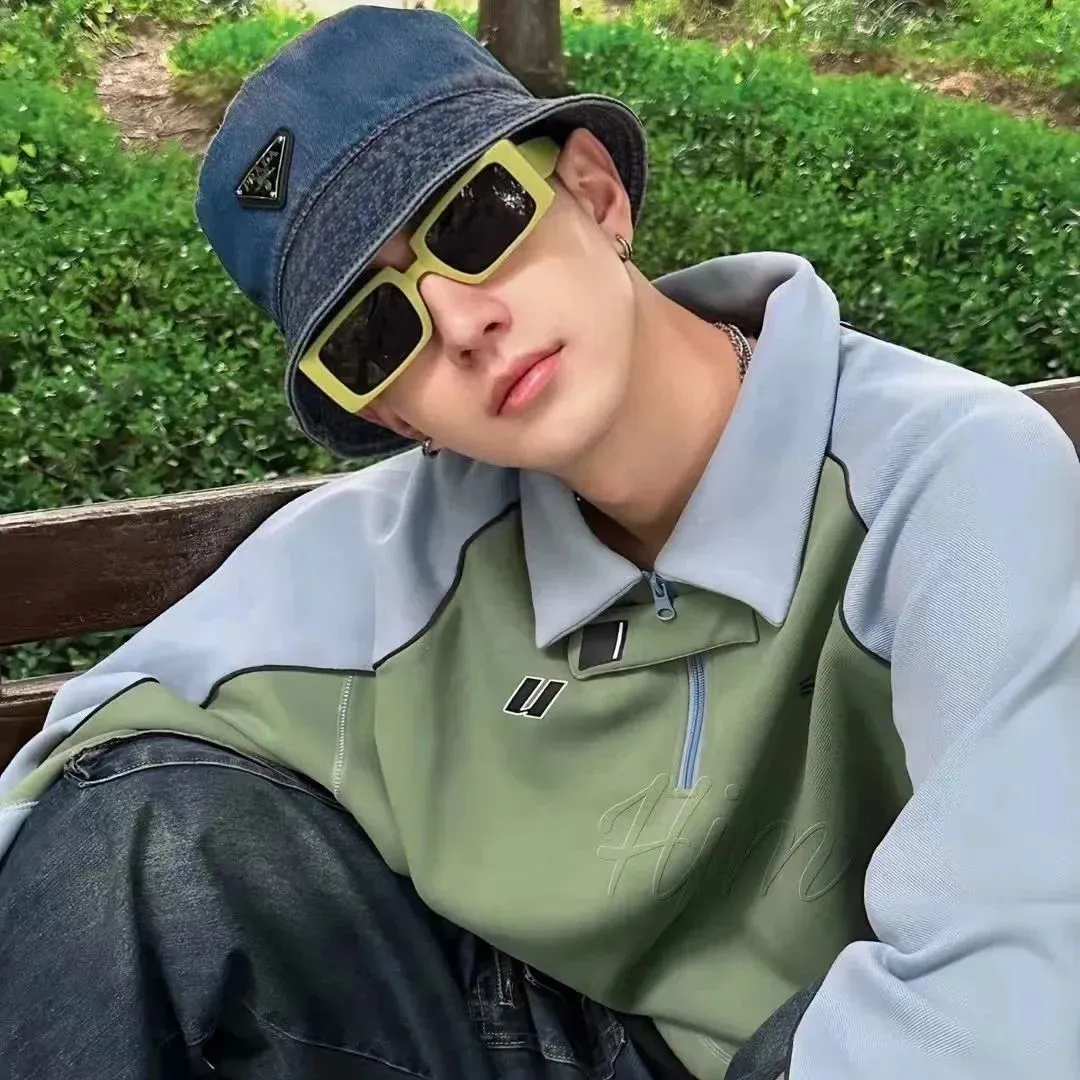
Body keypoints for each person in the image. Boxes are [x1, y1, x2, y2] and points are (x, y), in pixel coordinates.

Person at [1, 6, 1078, 1079]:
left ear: (596, 195)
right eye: (377, 334)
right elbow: (96, 786)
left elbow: (1009, 1006)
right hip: (506, 1030)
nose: (462, 324)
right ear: (393, 414)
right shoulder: (395, 557)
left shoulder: (945, 482)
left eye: (475, 222)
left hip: (827, 1043)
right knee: (132, 830)